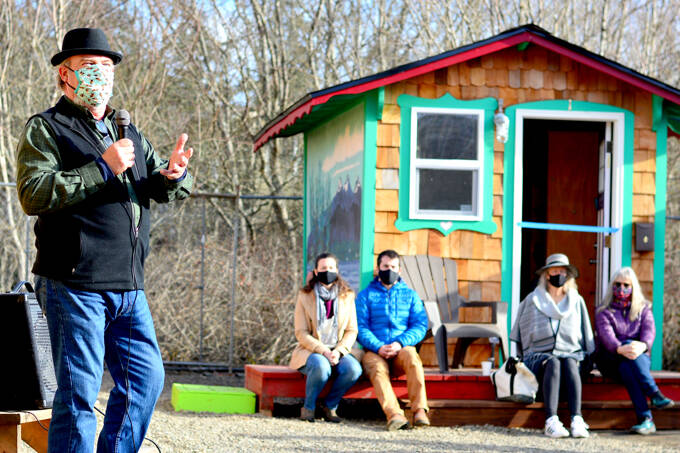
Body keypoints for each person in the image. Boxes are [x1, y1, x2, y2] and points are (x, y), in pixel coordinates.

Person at [15, 28, 193, 453]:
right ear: (65, 75)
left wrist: (175, 175)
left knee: (145, 381)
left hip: (130, 287)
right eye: (90, 67)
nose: (102, 76)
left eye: (108, 67)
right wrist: (101, 168)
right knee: (77, 399)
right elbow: (32, 193)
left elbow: (157, 188)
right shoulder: (47, 128)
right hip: (74, 286)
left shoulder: (124, 127)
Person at [510, 253, 594, 438]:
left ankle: (577, 420)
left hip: (570, 354)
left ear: (568, 276)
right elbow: (521, 331)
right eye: (555, 271)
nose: (559, 275)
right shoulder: (533, 300)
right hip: (538, 356)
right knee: (554, 362)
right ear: (547, 275)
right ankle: (551, 421)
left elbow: (585, 332)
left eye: (563, 271)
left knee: (569, 361)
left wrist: (589, 355)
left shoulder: (576, 301)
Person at [355, 249, 430, 431]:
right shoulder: (365, 296)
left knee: (412, 356)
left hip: (400, 350)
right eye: (385, 266)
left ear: (400, 270)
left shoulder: (411, 296)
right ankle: (394, 415)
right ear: (378, 268)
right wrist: (379, 346)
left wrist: (399, 343)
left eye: (393, 267)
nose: (389, 270)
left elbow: (420, 325)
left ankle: (419, 410)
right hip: (374, 351)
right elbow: (360, 327)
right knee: (377, 368)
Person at [595, 267, 674, 435]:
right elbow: (607, 338)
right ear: (612, 286)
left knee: (628, 367)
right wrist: (622, 348)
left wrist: (642, 346)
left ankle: (646, 420)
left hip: (636, 357)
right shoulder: (604, 311)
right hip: (611, 359)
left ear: (633, 287)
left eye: (626, 285)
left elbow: (649, 332)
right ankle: (654, 393)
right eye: (618, 284)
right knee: (626, 359)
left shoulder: (643, 309)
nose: (621, 289)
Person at [290, 252, 363, 422]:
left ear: (337, 270)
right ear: (316, 271)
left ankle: (330, 406)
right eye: (323, 268)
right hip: (312, 350)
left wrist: (338, 351)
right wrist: (323, 350)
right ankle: (308, 407)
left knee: (354, 370)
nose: (327, 271)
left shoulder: (348, 295)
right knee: (322, 367)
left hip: (339, 350)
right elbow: (301, 332)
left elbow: (352, 330)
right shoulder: (305, 296)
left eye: (331, 268)